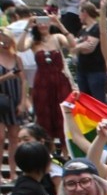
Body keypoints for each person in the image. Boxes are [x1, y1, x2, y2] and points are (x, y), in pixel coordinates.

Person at [18, 15, 76, 151]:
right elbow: (20, 48)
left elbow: (72, 44)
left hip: (60, 81)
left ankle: (66, 150)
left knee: (62, 114)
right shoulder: (34, 42)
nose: (43, 25)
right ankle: (48, 149)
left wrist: (59, 24)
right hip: (42, 82)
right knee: (44, 114)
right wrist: (27, 27)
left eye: (45, 22)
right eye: (40, 23)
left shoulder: (57, 37)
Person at [0, 29, 27, 181]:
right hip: (1, 100)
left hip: (15, 100)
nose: (3, 43)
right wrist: (6, 77)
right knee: (0, 136)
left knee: (14, 137)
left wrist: (23, 101)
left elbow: (23, 80)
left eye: (5, 40)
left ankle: (13, 171)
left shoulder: (16, 58)